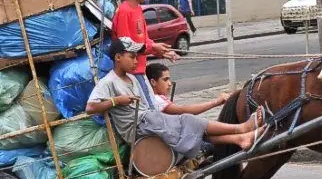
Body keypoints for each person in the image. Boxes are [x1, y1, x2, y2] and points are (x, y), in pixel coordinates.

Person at [86, 37, 264, 160]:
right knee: (188, 121)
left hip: (149, 119)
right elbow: (91, 108)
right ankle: (240, 128)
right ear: (118, 58)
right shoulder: (108, 82)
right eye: (132, 57)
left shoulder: (132, 78)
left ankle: (240, 138)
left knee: (191, 129)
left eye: (137, 57)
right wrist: (117, 101)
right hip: (137, 126)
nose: (136, 61)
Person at [146, 61, 268, 179]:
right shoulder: (156, 100)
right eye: (165, 80)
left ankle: (241, 137)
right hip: (174, 146)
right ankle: (241, 133)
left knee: (208, 133)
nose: (170, 84)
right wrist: (217, 101)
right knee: (201, 129)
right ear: (153, 82)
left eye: (170, 79)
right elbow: (186, 111)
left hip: (178, 139)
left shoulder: (160, 98)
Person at [112, 0, 178, 108]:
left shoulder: (138, 10)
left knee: (151, 107)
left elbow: (145, 39)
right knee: (150, 110)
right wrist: (153, 48)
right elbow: (125, 45)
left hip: (140, 69)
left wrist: (161, 51)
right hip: (132, 72)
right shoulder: (124, 11)